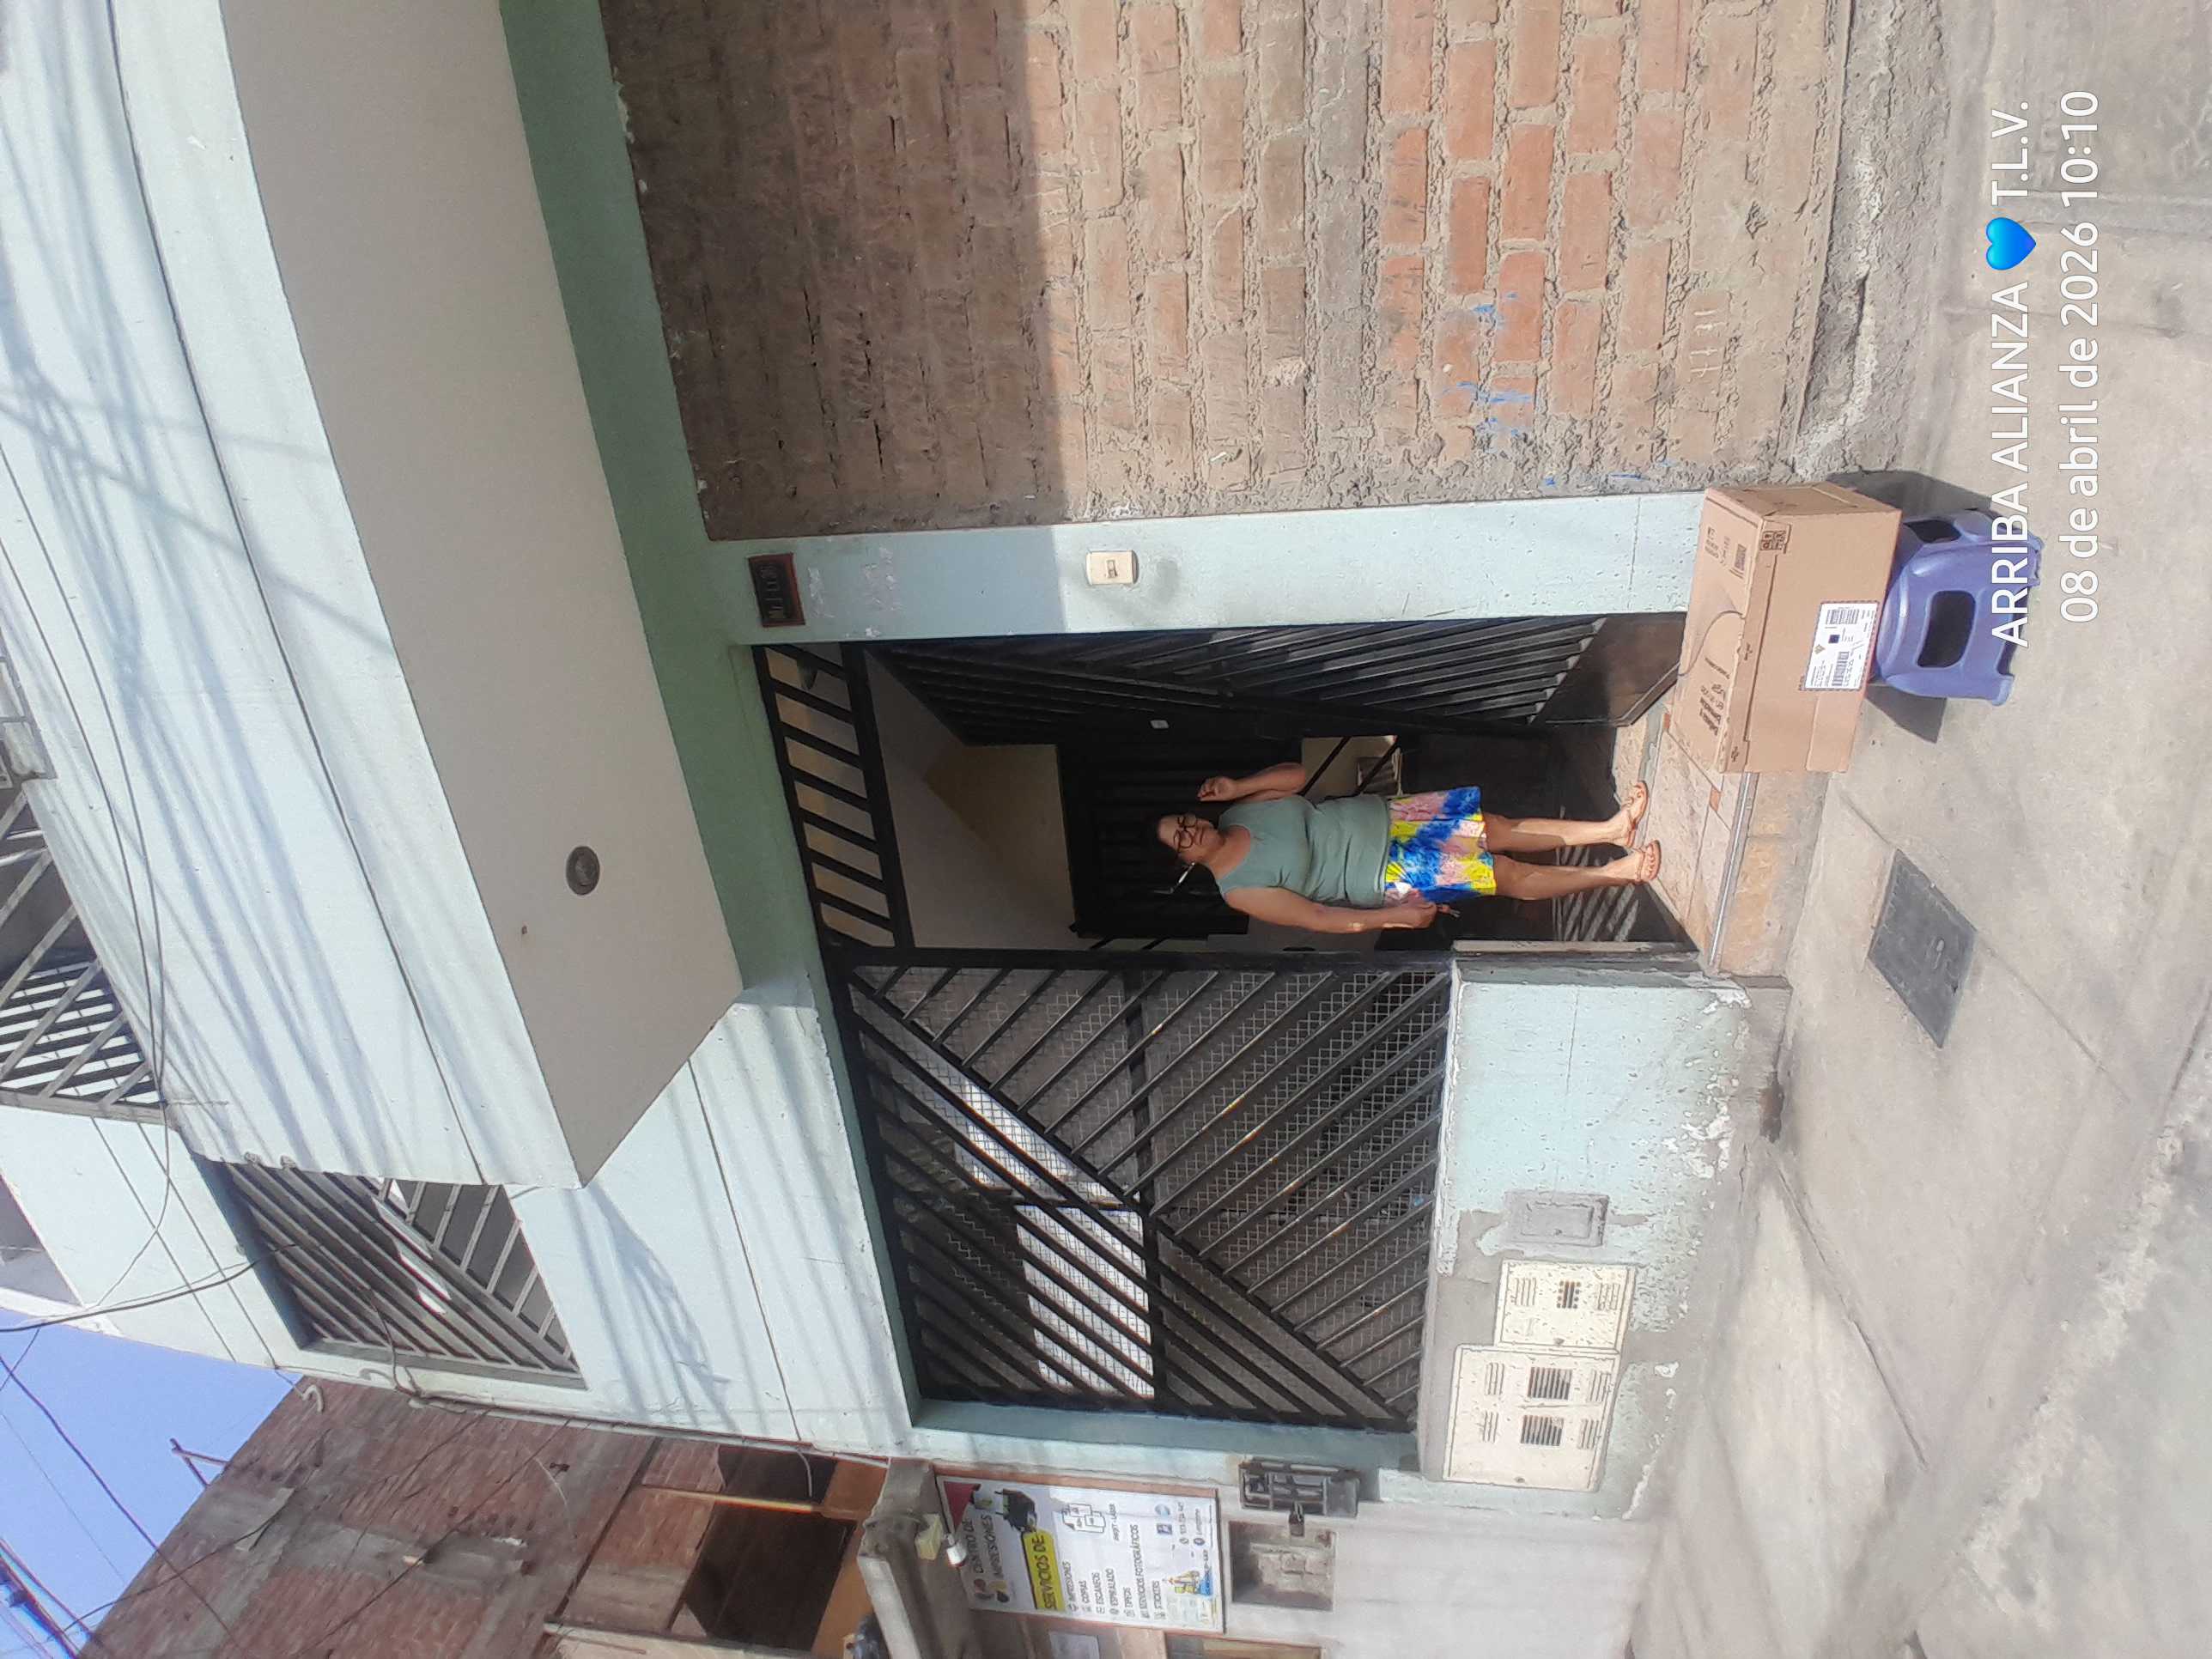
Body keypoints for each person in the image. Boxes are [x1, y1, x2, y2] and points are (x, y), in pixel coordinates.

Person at [1154, 761, 1659, 938]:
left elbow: (1297, 777)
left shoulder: (1239, 812)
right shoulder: (1239, 889)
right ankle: (1618, 873)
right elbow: (1319, 918)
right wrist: (1392, 919)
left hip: (1391, 815)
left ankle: (1611, 829)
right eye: (1180, 839)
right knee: (1503, 874)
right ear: (1184, 862)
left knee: (1497, 828)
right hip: (1389, 871)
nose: (1190, 831)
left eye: (1185, 821)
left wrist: (1238, 786)